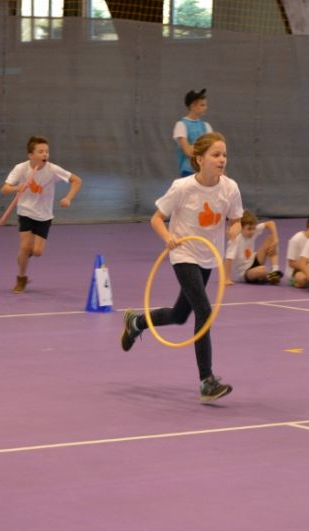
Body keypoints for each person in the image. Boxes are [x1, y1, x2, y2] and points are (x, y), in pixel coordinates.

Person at [120, 132, 242, 403]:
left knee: (179, 315)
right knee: (204, 310)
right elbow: (156, 218)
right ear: (200, 159)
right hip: (184, 253)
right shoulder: (182, 187)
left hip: (208, 257)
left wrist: (235, 229)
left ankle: (136, 322)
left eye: (224, 154)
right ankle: (207, 381)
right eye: (216, 154)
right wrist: (168, 238)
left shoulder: (230, 188)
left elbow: (236, 219)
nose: (222, 159)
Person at [0, 135, 82, 293]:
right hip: (26, 211)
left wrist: (68, 198)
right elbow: (4, 189)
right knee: (25, 246)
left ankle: (24, 256)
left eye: (47, 151)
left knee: (37, 252)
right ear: (31, 155)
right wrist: (17, 188)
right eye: (40, 151)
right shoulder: (21, 168)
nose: (45, 154)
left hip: (44, 215)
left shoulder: (53, 170)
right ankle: (21, 278)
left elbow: (77, 180)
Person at [223, 211, 282, 286]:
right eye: (249, 229)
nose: (252, 231)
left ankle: (275, 270)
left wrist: (276, 239)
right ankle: (269, 277)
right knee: (263, 270)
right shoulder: (235, 240)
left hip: (254, 260)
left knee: (271, 239)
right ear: (241, 228)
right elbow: (228, 259)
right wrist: (227, 278)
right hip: (245, 272)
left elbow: (271, 223)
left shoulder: (253, 231)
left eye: (253, 228)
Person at [173, 89, 213, 178]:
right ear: (193, 106)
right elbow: (188, 152)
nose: (205, 108)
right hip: (188, 171)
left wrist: (194, 147)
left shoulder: (206, 126)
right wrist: (203, 148)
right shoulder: (181, 125)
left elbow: (212, 150)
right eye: (202, 105)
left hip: (205, 171)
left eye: (205, 105)